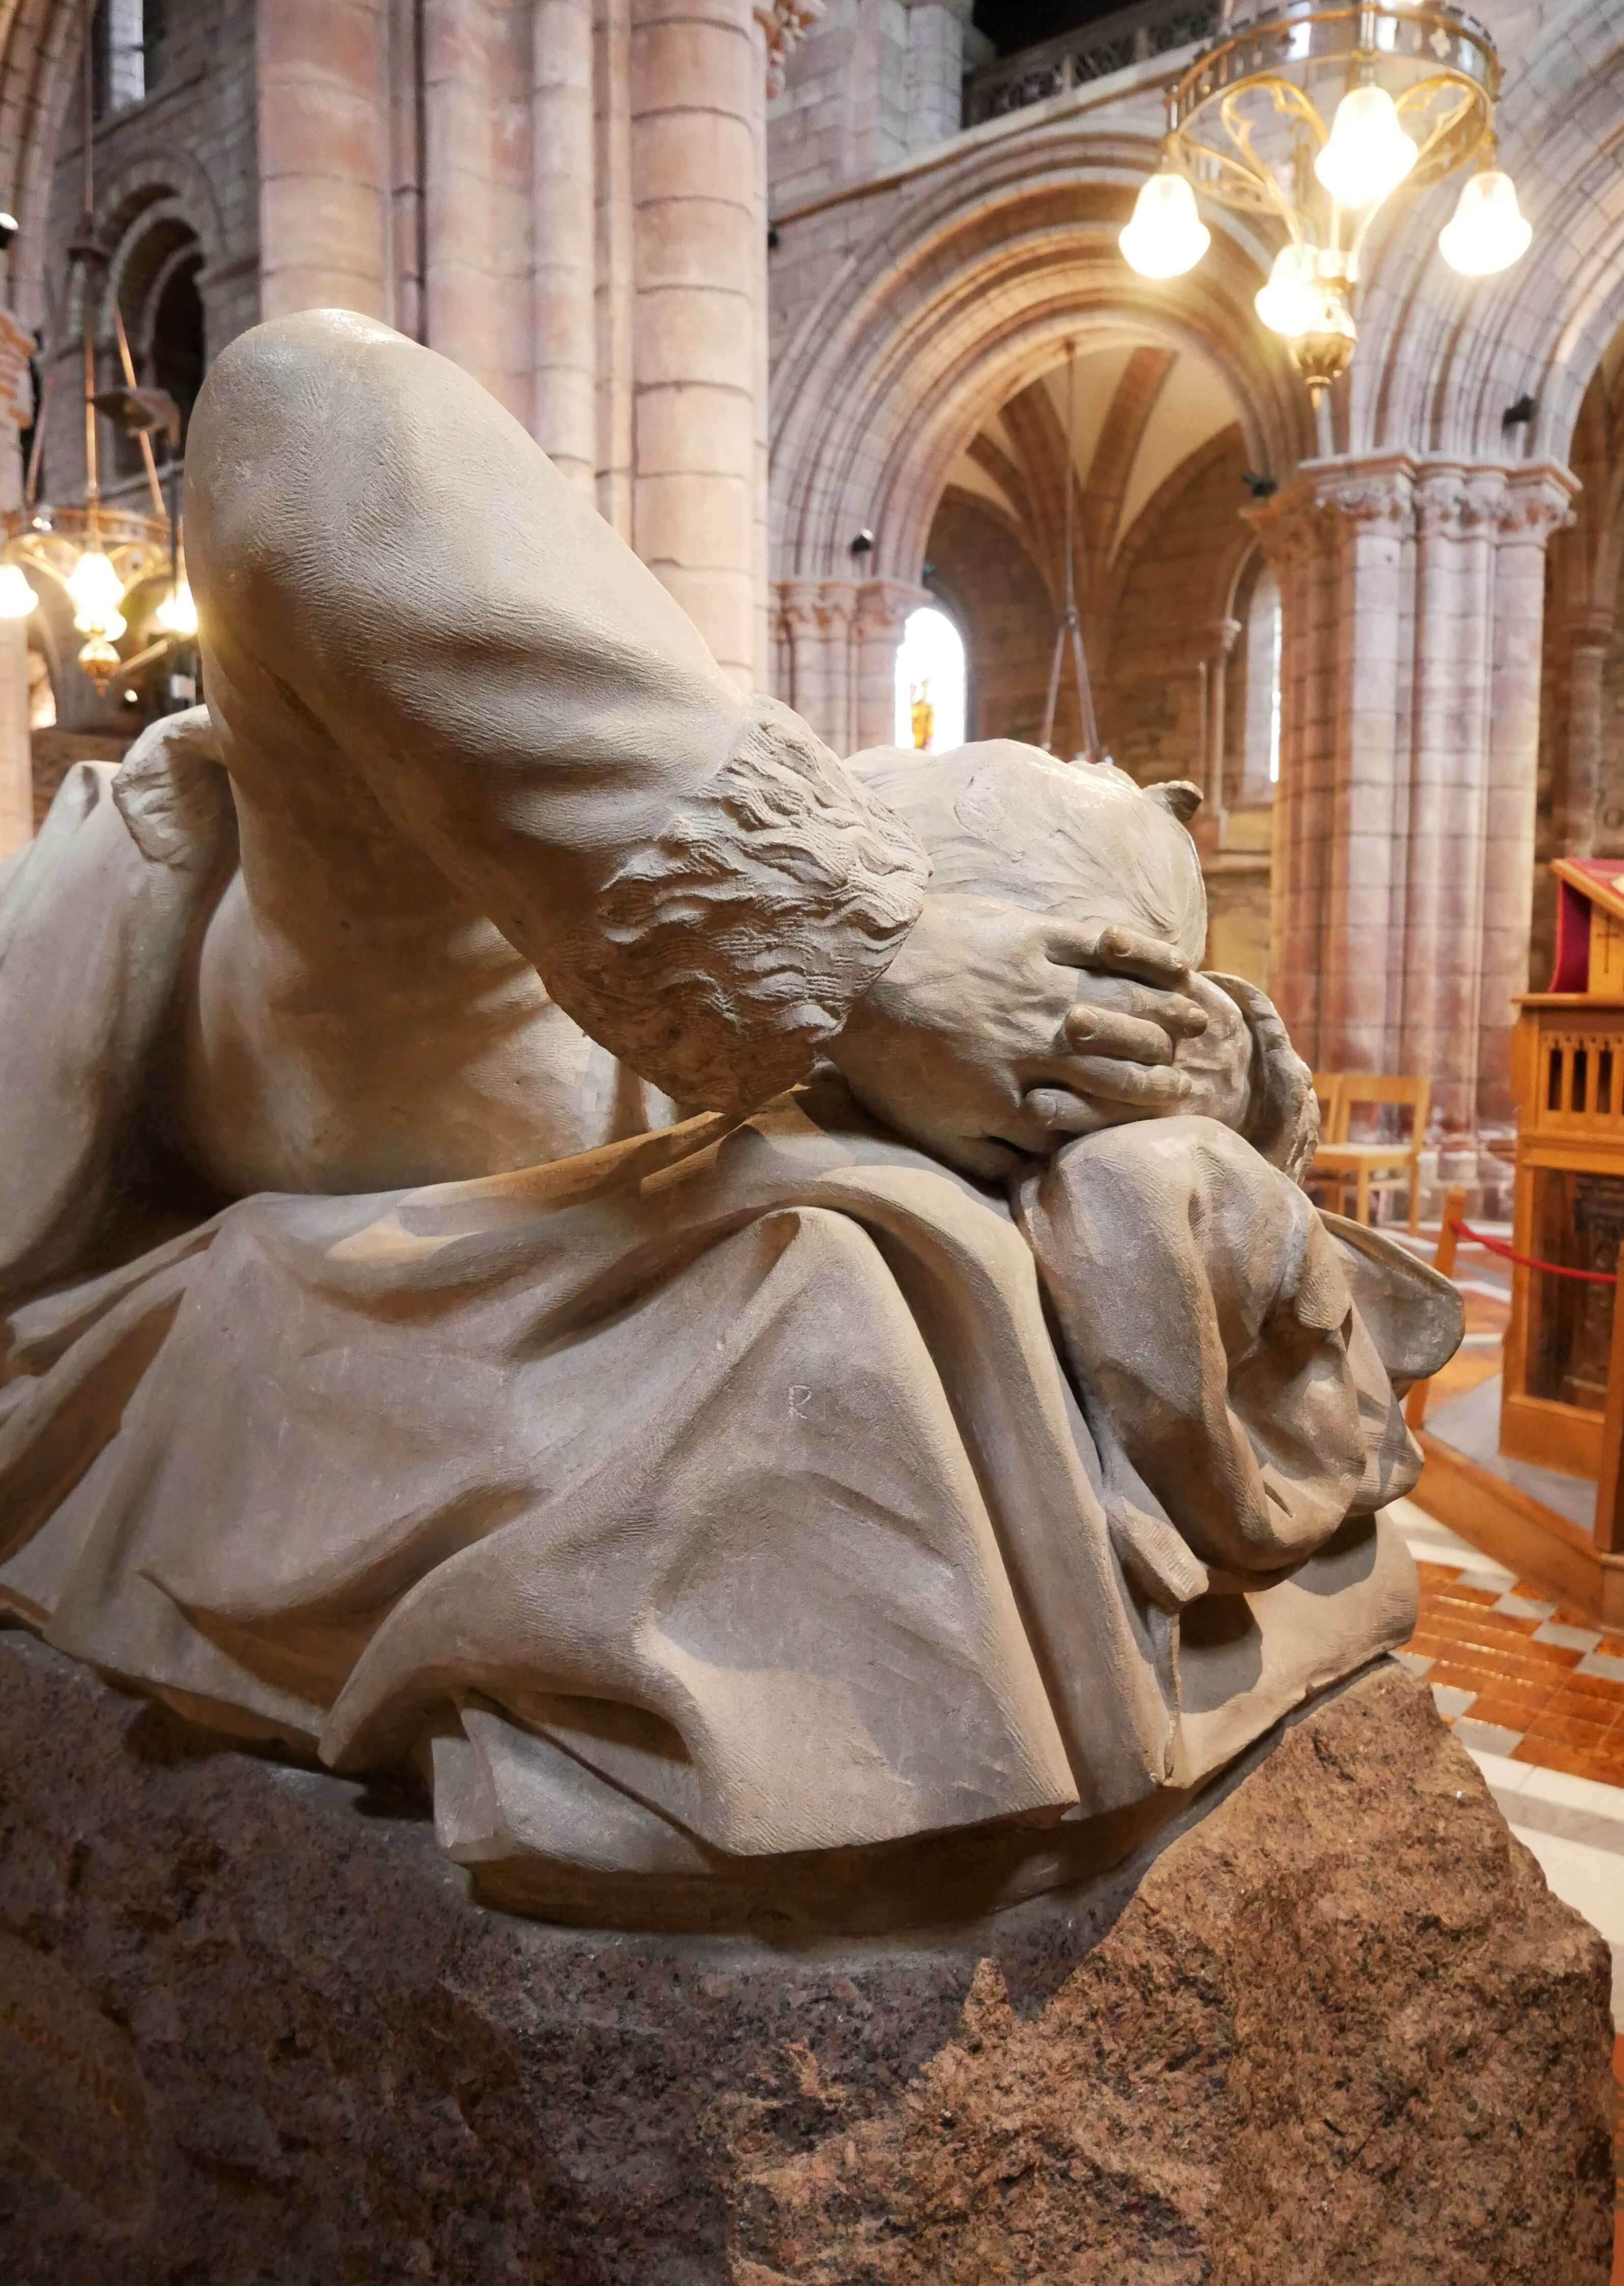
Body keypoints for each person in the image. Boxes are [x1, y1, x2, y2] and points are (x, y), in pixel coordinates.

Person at [0, 313, 1460, 1931]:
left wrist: (1214, 1069)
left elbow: (1106, 1006)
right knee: (307, 391)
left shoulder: (1025, 923)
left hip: (721, 992)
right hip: (422, 1018)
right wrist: (871, 951)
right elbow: (301, 443)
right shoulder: (231, 857)